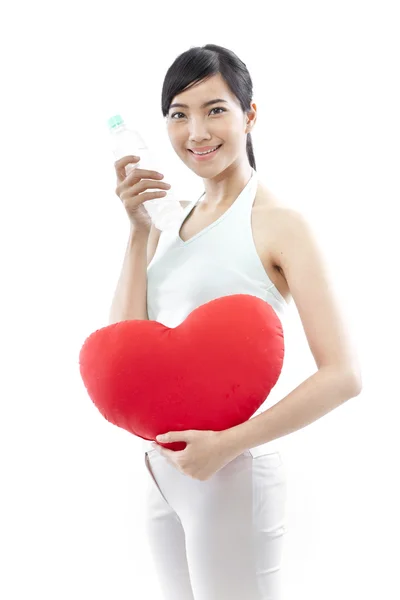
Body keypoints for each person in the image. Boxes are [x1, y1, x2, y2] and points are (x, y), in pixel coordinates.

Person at [109, 44, 361, 600]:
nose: (196, 131)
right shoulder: (170, 222)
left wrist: (226, 445)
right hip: (161, 473)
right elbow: (121, 349)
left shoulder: (279, 224)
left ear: (249, 115)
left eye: (215, 109)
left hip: (232, 470)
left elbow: (343, 375)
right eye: (178, 114)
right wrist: (136, 231)